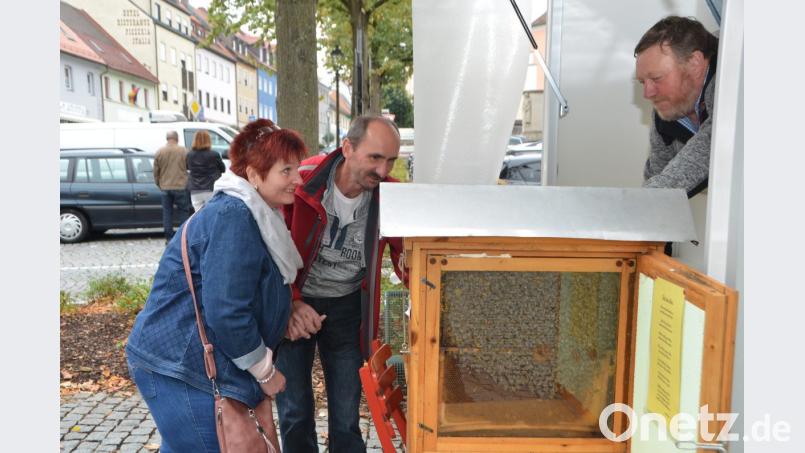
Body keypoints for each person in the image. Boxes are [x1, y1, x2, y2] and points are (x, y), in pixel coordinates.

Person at [126, 119, 306, 452]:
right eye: (287, 171)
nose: (298, 178)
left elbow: (246, 291)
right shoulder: (234, 217)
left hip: (190, 363)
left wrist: (283, 316)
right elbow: (227, 312)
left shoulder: (256, 212)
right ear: (253, 175)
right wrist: (266, 373)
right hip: (182, 366)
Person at [276, 116, 406, 452]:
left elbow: (409, 257)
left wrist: (414, 265)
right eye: (375, 157)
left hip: (348, 307)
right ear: (347, 148)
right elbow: (267, 249)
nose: (382, 170)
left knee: (347, 416)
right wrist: (290, 301)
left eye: (390, 160)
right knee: (294, 412)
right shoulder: (301, 181)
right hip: (295, 304)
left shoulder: (389, 196)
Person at [635, 16, 719, 198]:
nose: (647, 93)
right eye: (643, 82)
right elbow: (657, 179)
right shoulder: (664, 117)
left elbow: (717, 138)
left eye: (656, 78)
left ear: (695, 63)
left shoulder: (730, 81)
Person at [153, 131, 190, 242]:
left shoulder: (160, 151)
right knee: (183, 212)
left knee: (167, 213)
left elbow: (156, 171)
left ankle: (169, 237)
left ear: (167, 138)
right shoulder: (184, 151)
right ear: (177, 138)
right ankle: (184, 237)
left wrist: (159, 184)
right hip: (181, 186)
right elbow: (188, 167)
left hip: (165, 187)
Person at [186, 130, 226, 211]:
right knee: (212, 214)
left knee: (198, 215)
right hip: (211, 188)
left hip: (195, 189)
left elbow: (187, 168)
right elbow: (223, 169)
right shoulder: (214, 154)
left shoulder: (189, 155)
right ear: (208, 140)